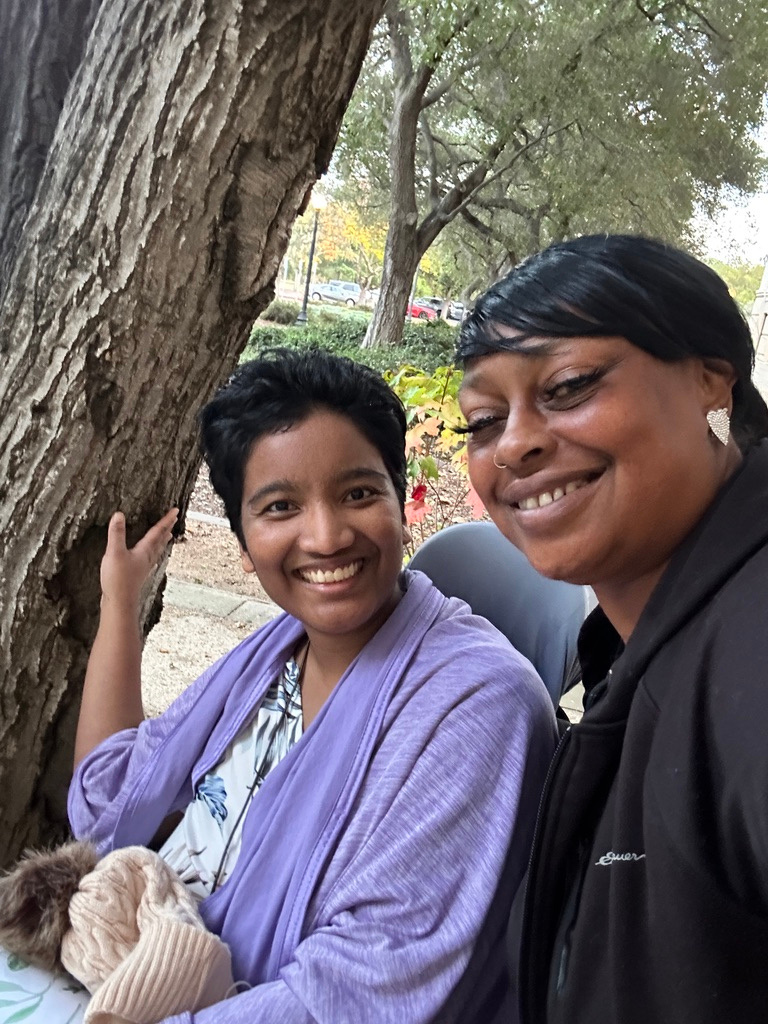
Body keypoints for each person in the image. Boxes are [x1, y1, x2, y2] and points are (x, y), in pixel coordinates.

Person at [61, 348, 556, 1024]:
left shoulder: (478, 707)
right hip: (131, 968)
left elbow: (358, 995)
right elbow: (110, 796)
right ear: (244, 543)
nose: (325, 537)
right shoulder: (273, 658)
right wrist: (120, 603)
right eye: (280, 506)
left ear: (402, 507)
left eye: (358, 494)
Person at [453, 234, 768, 1024]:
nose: (514, 443)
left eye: (568, 386)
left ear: (711, 377)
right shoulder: (638, 648)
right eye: (483, 420)